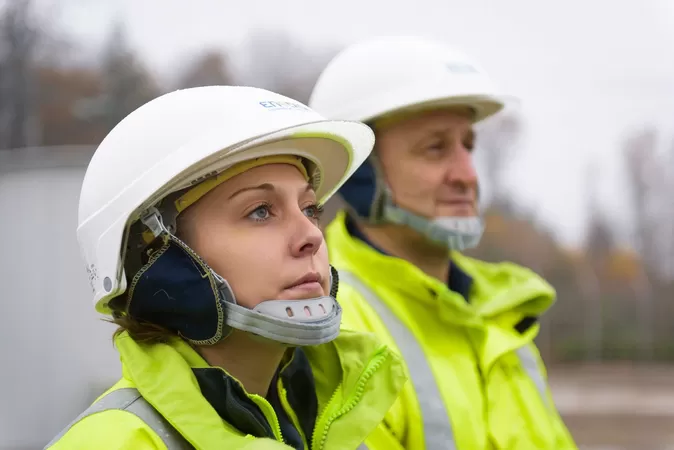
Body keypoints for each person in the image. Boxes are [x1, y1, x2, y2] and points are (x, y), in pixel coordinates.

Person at [45, 86, 407, 450]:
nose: (310, 236)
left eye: (310, 209)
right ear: (157, 256)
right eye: (260, 211)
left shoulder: (343, 432)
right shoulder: (111, 443)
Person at [308, 36, 578, 450]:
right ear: (360, 175)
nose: (467, 174)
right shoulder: (332, 326)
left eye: (468, 146)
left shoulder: (501, 315)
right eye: (435, 149)